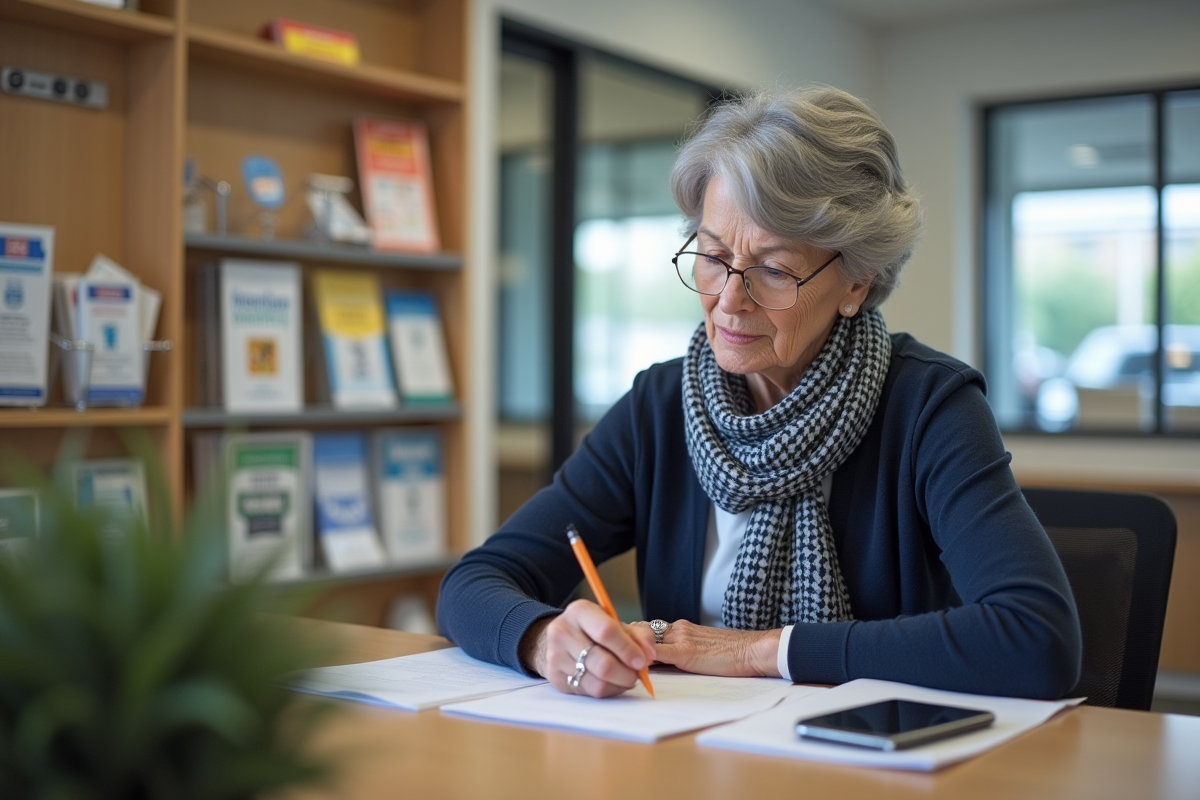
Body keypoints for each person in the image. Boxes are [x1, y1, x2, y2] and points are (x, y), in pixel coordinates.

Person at [437, 85, 1082, 700]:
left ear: (858, 282)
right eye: (713, 256)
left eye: (773, 270)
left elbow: (1036, 638)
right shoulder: (661, 407)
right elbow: (474, 583)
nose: (728, 300)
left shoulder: (929, 408)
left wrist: (756, 651)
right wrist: (543, 639)